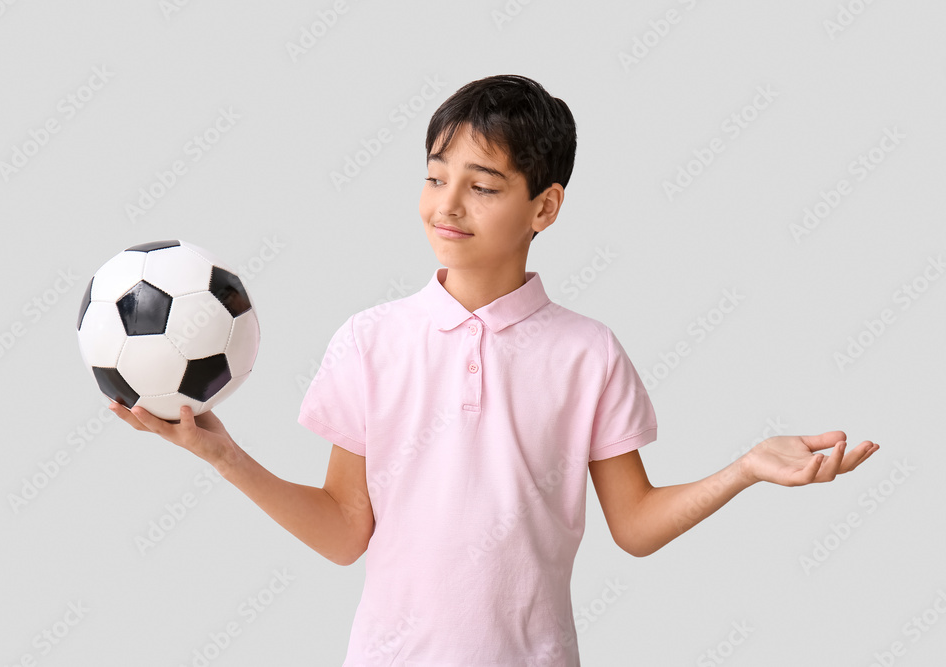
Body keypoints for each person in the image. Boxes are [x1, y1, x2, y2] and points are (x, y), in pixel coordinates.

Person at [110, 74, 880, 666]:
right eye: (436, 175)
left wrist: (744, 467)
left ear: (544, 208)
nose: (448, 204)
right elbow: (348, 532)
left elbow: (636, 525)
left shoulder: (588, 352)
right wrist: (224, 455)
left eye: (482, 186)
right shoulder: (371, 340)